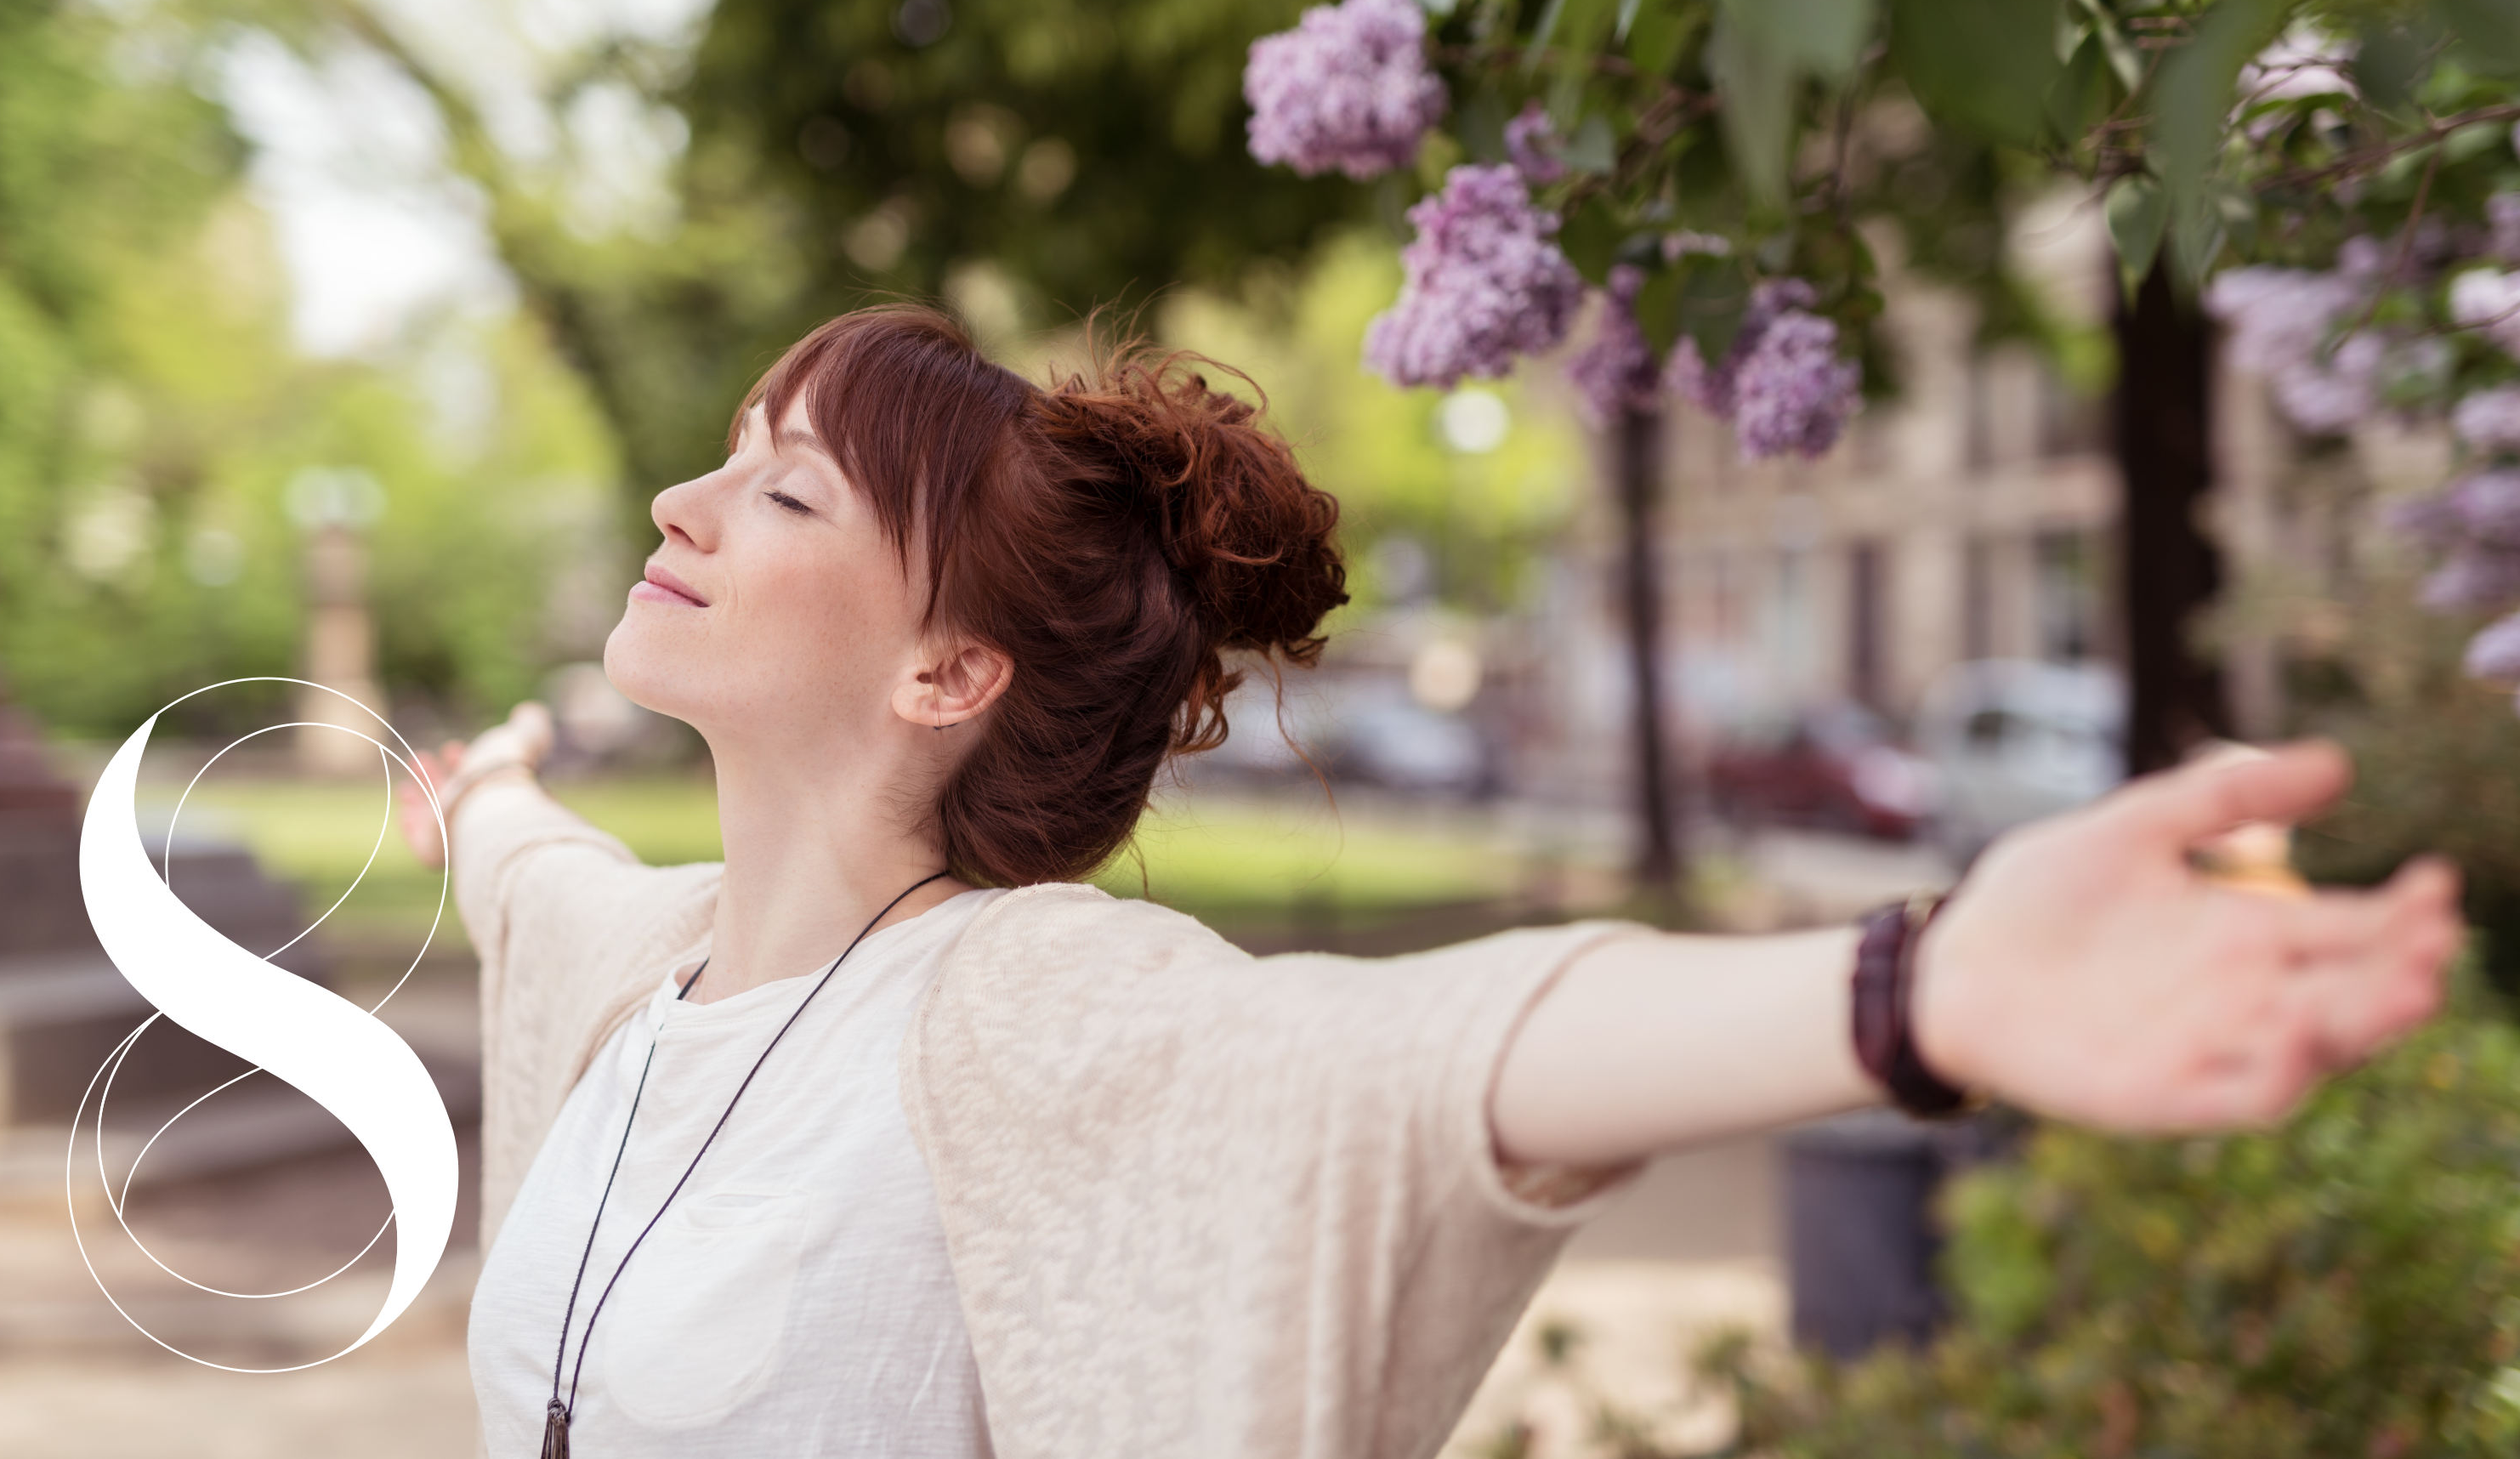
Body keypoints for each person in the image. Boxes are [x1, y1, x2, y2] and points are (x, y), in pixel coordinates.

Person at [399, 304, 2461, 1459]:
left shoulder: (1013, 1011)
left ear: (950, 667)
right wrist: (479, 797)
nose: (685, 496)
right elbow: (527, 866)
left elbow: (1417, 1055)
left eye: (780, 485)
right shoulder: (629, 960)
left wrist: (1908, 991)